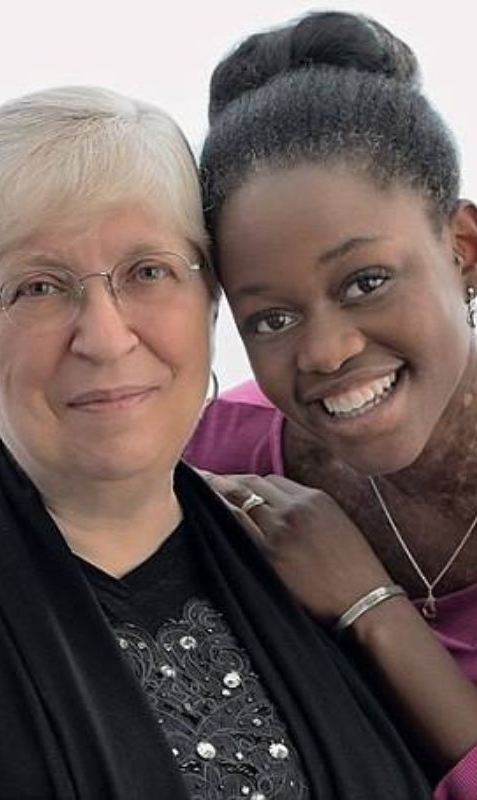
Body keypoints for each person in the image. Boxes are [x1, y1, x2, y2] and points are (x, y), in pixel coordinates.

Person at [0, 85, 477, 799]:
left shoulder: (262, 537)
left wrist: (370, 606)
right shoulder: (233, 453)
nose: (108, 339)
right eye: (37, 287)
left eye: (149, 271)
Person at [187, 11, 477, 689]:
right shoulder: (219, 465)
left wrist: (371, 608)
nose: (323, 352)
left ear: (462, 252)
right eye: (271, 318)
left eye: (366, 282)